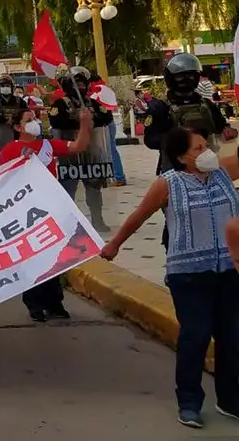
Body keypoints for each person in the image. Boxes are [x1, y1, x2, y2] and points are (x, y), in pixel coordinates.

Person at [101, 127, 239, 429]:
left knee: (232, 337)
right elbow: (140, 215)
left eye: (206, 145)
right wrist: (115, 244)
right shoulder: (168, 184)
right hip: (188, 275)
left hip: (230, 271)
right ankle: (189, 402)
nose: (207, 152)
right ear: (181, 156)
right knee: (196, 336)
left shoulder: (223, 173)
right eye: (198, 148)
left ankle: (230, 399)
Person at [0, 108, 93, 322]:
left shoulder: (48, 145)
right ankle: (34, 303)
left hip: (50, 208)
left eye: (35, 118)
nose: (35, 122)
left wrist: (85, 124)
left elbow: (78, 146)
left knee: (54, 256)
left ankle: (54, 302)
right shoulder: (10, 150)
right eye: (29, 120)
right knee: (32, 258)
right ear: (18, 127)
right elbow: (3, 180)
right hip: (26, 213)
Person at [48, 67, 114, 232]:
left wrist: (92, 117)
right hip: (69, 155)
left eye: (83, 83)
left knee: (94, 188)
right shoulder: (60, 104)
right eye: (76, 83)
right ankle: (68, 223)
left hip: (91, 155)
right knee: (68, 190)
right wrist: (81, 120)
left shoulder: (93, 103)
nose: (80, 86)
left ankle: (97, 219)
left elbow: (107, 117)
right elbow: (57, 121)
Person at [145, 53, 233, 175]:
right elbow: (150, 139)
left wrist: (228, 130)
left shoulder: (207, 105)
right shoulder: (161, 107)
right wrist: (177, 140)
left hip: (207, 167)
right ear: (170, 78)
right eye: (181, 76)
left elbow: (221, 126)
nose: (187, 79)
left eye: (192, 75)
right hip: (175, 170)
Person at [0, 74, 28, 157]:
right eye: (3, 86)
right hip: (0, 136)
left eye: (7, 86)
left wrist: (15, 120)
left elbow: (27, 114)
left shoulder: (20, 101)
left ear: (11, 87)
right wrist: (3, 119)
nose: (5, 88)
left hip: (17, 135)